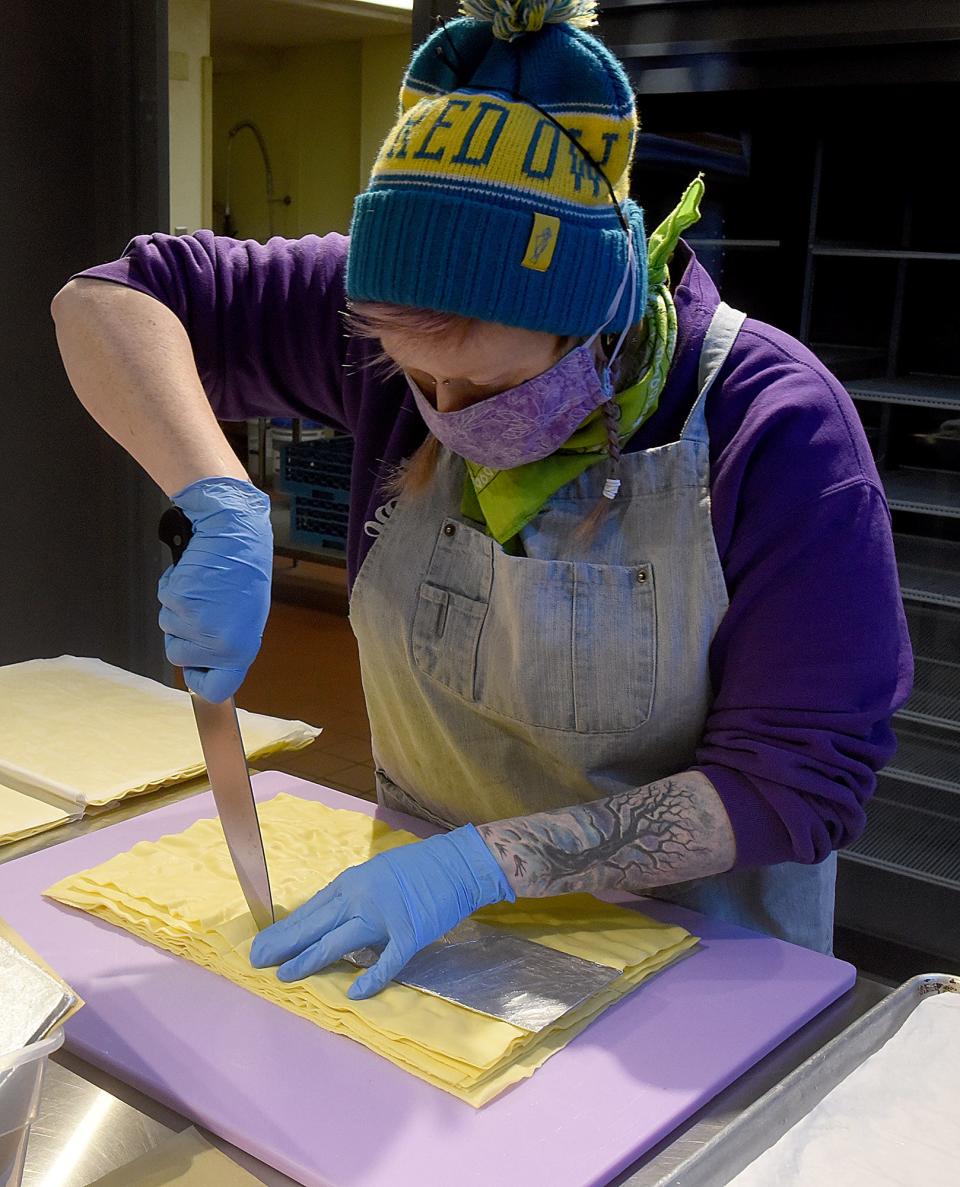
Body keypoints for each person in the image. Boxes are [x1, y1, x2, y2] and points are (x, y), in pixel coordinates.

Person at [51, 0, 913, 999]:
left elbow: (799, 782)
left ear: (602, 315)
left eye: (492, 386)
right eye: (416, 376)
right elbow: (109, 300)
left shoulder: (777, 427)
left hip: (692, 977)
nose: (447, 415)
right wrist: (217, 491)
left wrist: (480, 865)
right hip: (426, 953)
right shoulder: (403, 314)